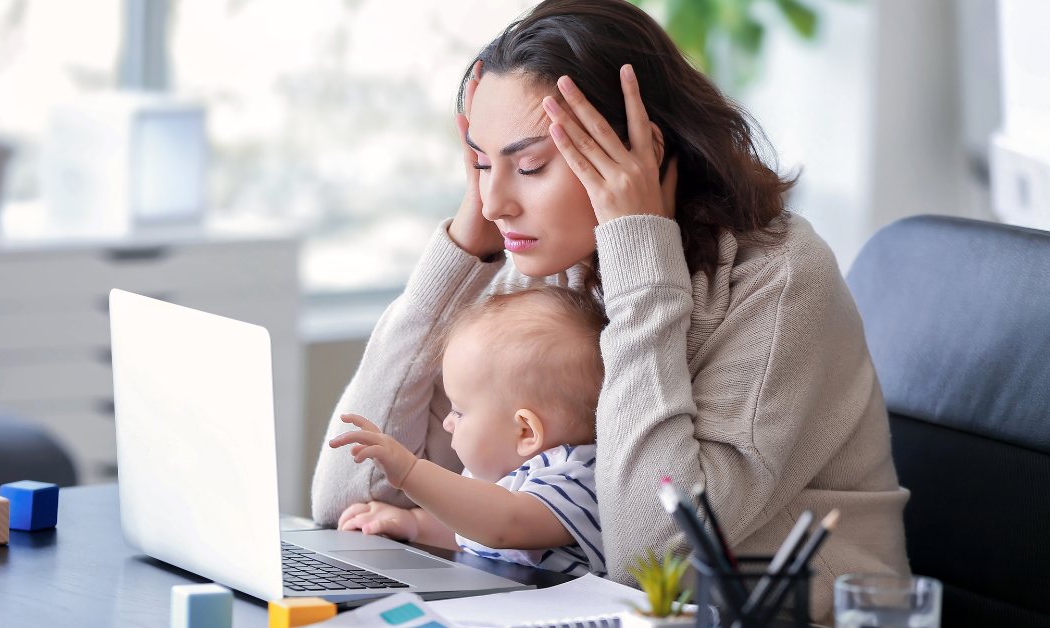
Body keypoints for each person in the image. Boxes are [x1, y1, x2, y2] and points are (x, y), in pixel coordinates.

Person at [311, 0, 909, 619]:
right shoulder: (554, 258)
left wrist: (640, 257)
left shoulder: (778, 277)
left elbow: (654, 557)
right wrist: (463, 250)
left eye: (531, 165)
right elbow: (347, 499)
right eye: (482, 164)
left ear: (640, 151)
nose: (495, 202)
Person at [329, 286, 607, 576]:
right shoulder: (497, 481)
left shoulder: (577, 476)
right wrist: (413, 524)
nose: (448, 423)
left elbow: (504, 525)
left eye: (458, 411)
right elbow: (471, 532)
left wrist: (410, 472)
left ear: (525, 432)